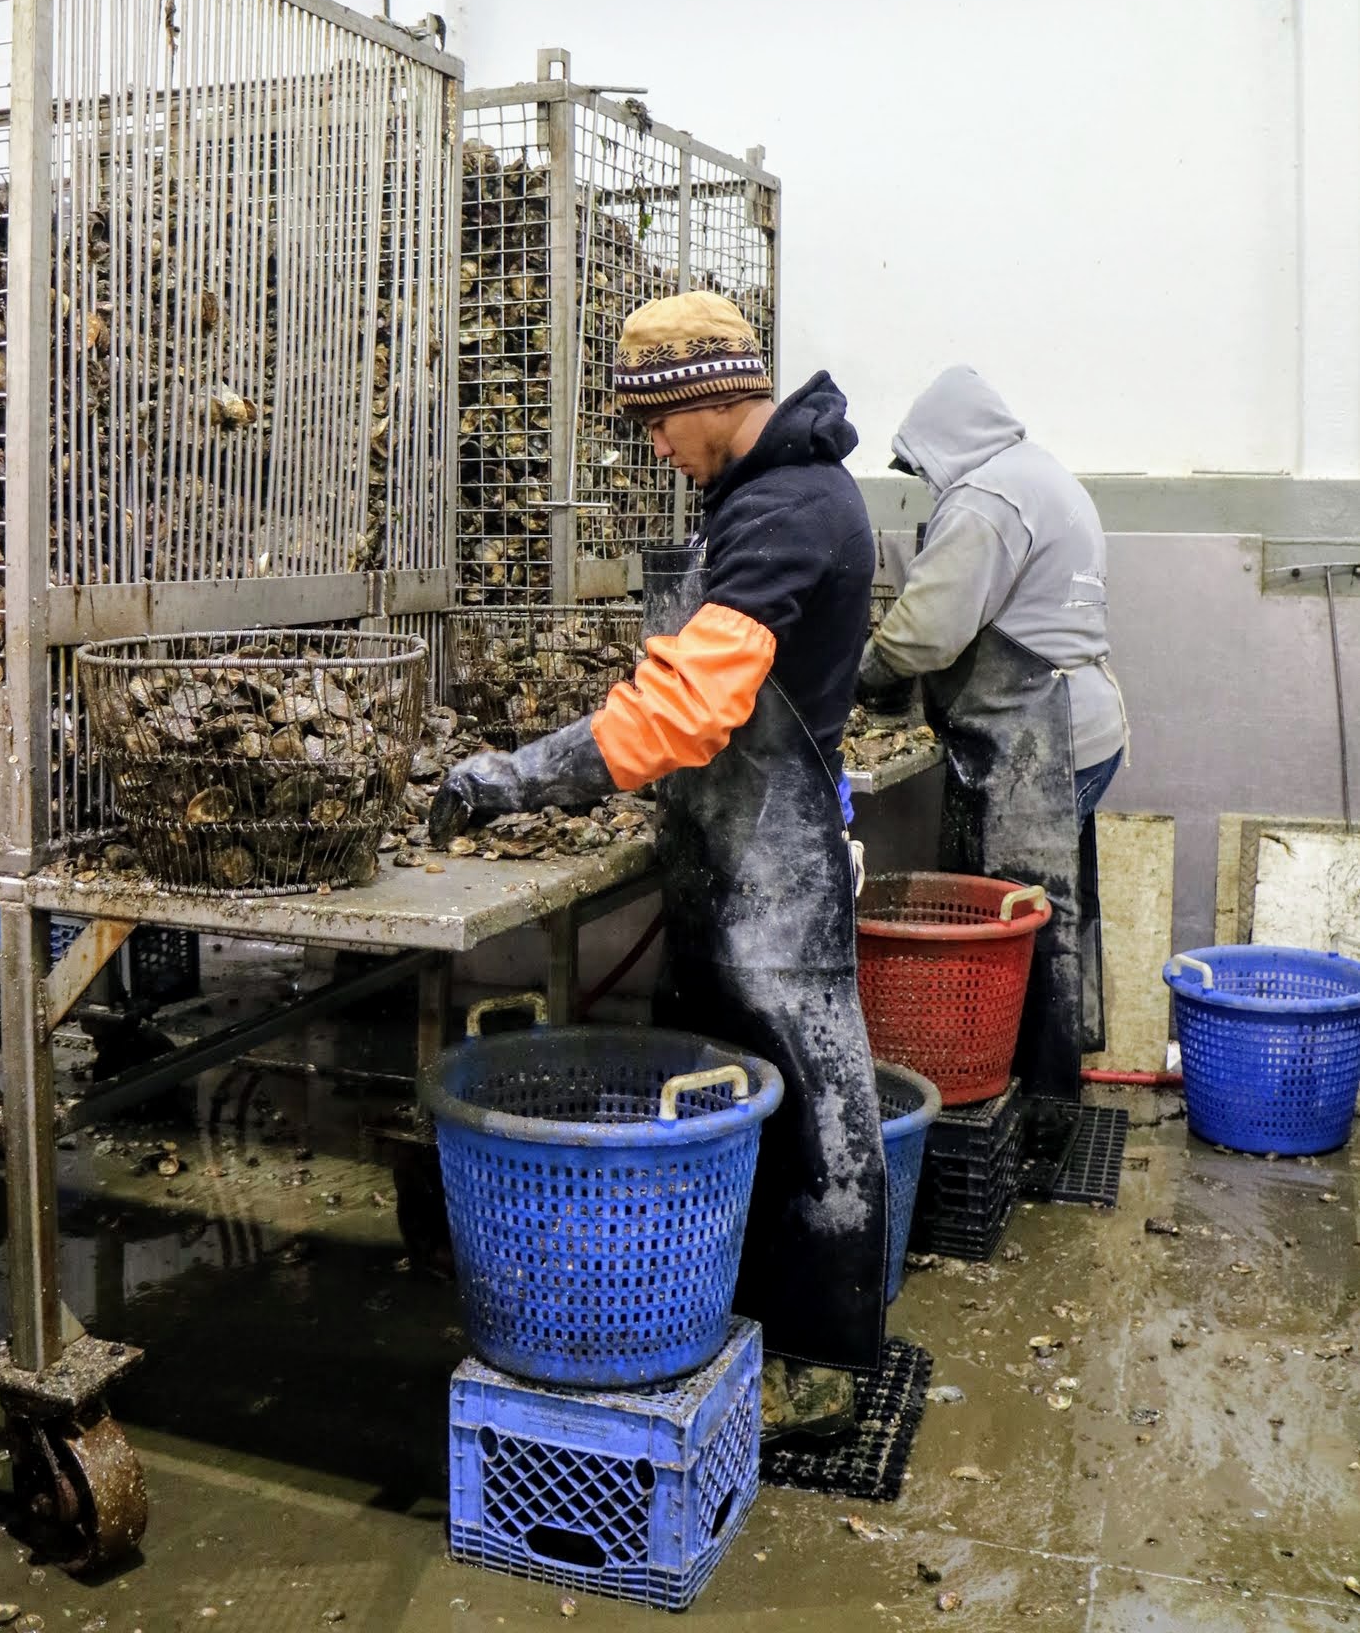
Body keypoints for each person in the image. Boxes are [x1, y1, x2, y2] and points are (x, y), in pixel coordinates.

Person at [431, 290, 889, 1406]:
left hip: (769, 893)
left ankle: (821, 1377)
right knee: (748, 1114)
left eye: (656, 422)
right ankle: (762, 1350)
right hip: (736, 869)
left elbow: (683, 715)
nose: (654, 446)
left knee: (810, 1130)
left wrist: (513, 775)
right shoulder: (766, 494)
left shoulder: (783, 508)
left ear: (705, 394)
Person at [855, 366, 1127, 1099]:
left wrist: (866, 675)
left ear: (945, 442)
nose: (924, 479)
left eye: (920, 464)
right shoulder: (1038, 474)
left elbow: (926, 634)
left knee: (1019, 923)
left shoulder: (987, 498)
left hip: (1038, 738)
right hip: (1079, 727)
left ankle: (1032, 1107)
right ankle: (1041, 1092)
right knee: (1052, 912)